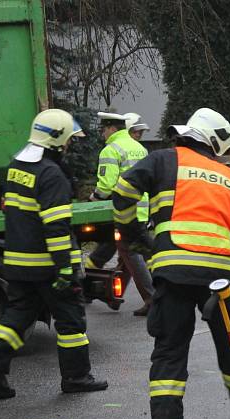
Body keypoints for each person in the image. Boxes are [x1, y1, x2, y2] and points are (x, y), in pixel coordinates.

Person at [111, 108, 230, 419]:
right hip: (219, 277)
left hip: (173, 270)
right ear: (216, 143)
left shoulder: (164, 159)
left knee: (170, 349)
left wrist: (132, 232)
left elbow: (123, 191)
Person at [0, 109, 108, 398]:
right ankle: (76, 377)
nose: (69, 145)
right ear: (57, 140)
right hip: (48, 266)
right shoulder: (51, 175)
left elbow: (7, 209)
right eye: (68, 139)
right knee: (71, 320)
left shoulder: (16, 166)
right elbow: (57, 228)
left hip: (18, 261)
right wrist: (64, 269)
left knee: (17, 317)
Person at [87, 112, 154, 316]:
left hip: (125, 211)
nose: (102, 134)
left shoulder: (111, 150)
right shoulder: (139, 148)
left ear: (112, 129)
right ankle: (113, 297)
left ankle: (154, 299)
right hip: (142, 209)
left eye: (103, 129)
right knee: (129, 254)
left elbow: (106, 186)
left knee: (130, 252)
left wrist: (92, 201)